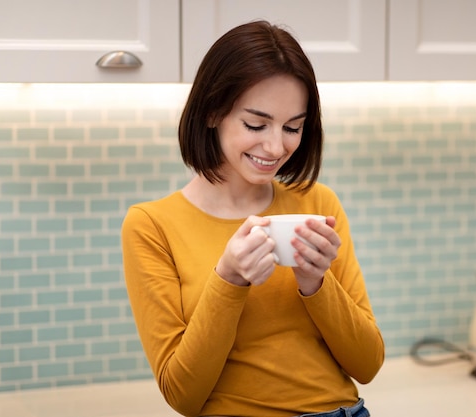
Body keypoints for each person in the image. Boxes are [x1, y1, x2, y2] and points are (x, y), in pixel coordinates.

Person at [121, 20, 384, 417]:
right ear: (212, 112)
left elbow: (368, 365)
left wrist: (316, 284)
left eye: (293, 127)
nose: (276, 146)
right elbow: (182, 395)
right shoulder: (152, 225)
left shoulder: (317, 203)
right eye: (256, 124)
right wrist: (228, 280)